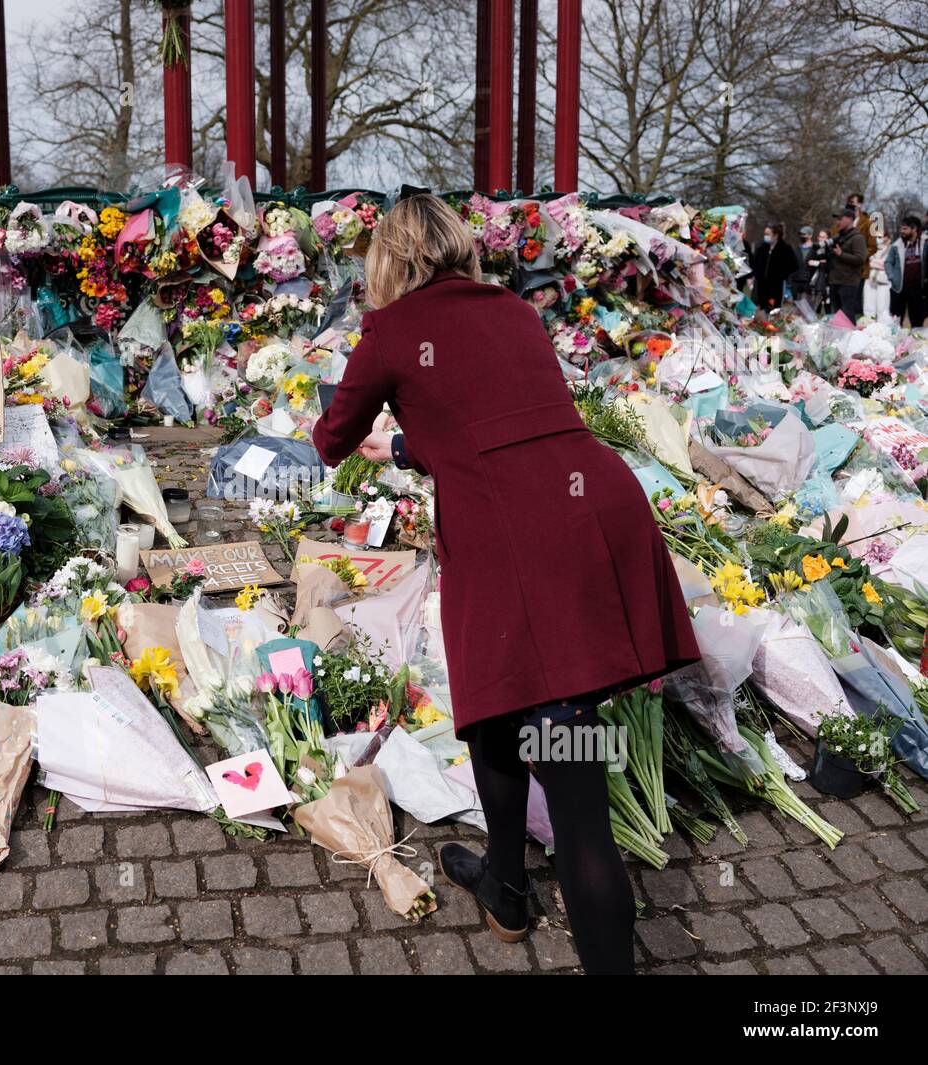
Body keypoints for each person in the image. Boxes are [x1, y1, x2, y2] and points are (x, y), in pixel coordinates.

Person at [310, 193, 700, 976]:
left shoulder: (390, 331)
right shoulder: (515, 312)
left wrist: (379, 425)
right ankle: (508, 888)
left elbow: (329, 441)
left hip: (526, 544)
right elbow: (499, 421)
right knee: (494, 712)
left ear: (387, 259)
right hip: (596, 505)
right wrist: (416, 446)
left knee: (577, 794)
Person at [827, 206, 869, 320]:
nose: (838, 222)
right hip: (835, 281)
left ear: (850, 219)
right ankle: (839, 338)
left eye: (840, 219)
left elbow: (861, 259)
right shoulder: (838, 238)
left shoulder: (858, 238)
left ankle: (850, 337)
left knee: (847, 317)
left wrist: (841, 254)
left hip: (848, 283)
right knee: (837, 317)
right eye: (837, 219)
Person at [885, 215, 927, 328]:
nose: (901, 231)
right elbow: (888, 262)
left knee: (917, 322)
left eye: (905, 229)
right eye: (901, 228)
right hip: (899, 289)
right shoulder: (896, 245)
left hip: (918, 290)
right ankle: (895, 344)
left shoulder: (925, 243)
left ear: (914, 229)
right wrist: (892, 276)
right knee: (895, 321)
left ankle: (915, 344)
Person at [749, 221, 798, 310]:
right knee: (757, 308)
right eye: (765, 234)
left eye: (768, 234)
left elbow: (794, 265)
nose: (766, 236)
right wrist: (753, 276)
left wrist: (782, 274)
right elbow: (755, 264)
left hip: (775, 286)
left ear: (776, 235)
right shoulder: (762, 247)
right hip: (760, 285)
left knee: (771, 308)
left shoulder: (785, 249)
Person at [865, 233, 893, 322]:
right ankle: (869, 326)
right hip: (871, 277)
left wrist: (875, 263)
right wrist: (879, 263)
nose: (879, 239)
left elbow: (888, 264)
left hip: (884, 279)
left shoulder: (892, 248)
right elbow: (868, 261)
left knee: (883, 306)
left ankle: (883, 328)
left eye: (881, 236)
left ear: (887, 237)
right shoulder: (871, 248)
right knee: (869, 305)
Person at [789, 225, 816, 305]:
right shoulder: (796, 249)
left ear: (810, 235)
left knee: (806, 306)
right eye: (801, 234)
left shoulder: (815, 250)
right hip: (796, 281)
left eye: (804, 234)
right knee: (796, 306)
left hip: (809, 282)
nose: (802, 236)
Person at [809, 228, 833, 313]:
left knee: (828, 306)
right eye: (820, 237)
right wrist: (820, 263)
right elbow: (809, 262)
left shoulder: (831, 249)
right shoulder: (815, 248)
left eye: (824, 237)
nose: (821, 239)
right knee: (815, 306)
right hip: (815, 281)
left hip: (828, 281)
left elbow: (831, 264)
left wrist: (818, 263)